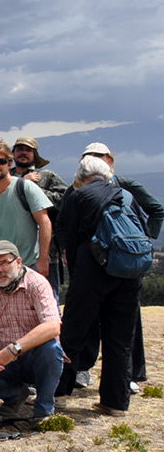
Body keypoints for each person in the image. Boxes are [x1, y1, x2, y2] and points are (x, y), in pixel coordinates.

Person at [55, 156, 148, 416]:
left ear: (82, 177)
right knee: (120, 338)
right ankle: (115, 402)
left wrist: (76, 274)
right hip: (130, 270)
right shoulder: (126, 196)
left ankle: (60, 393)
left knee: (74, 331)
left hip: (92, 268)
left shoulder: (78, 195)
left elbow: (69, 236)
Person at [76, 142, 164, 389]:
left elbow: (157, 209)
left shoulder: (126, 186)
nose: (94, 160)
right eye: (89, 157)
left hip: (124, 262)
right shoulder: (82, 188)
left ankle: (131, 375)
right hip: (96, 264)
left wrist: (141, 242)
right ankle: (85, 369)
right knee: (92, 318)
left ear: (110, 160)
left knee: (128, 320)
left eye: (98, 157)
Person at [0, 241, 63, 419]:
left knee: (52, 348)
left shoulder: (37, 284)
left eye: (3, 263)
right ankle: (15, 394)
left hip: (34, 357)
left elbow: (53, 326)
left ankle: (43, 408)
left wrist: (14, 349)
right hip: (4, 360)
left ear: (18, 262)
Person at [0, 139, 53, 280]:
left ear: (10, 163)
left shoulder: (25, 187)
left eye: (1, 161)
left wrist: (43, 259)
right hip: (3, 269)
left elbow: (45, 222)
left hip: (31, 265)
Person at [12, 136, 69, 292]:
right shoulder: (7, 178)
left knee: (49, 297)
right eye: (20, 150)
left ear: (34, 155)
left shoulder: (47, 176)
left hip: (46, 252)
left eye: (28, 150)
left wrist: (33, 190)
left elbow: (66, 199)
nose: (23, 153)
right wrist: (21, 182)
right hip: (14, 251)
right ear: (13, 154)